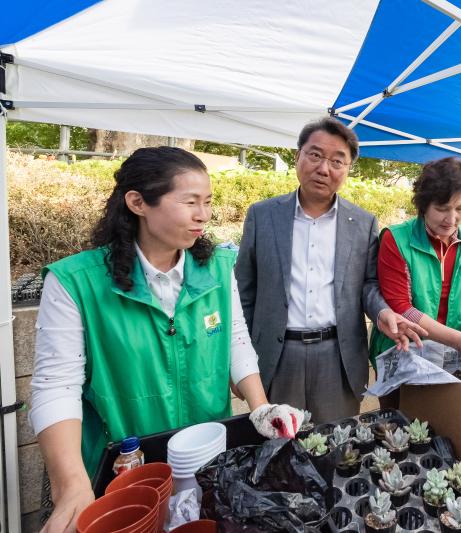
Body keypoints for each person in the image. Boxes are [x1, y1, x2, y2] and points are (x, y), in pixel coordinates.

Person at [30, 147, 300, 533]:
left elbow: (235, 341)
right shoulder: (75, 282)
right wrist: (71, 484)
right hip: (130, 465)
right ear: (138, 202)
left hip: (208, 453)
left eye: (207, 202)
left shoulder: (218, 269)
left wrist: (259, 407)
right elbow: (57, 385)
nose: (203, 215)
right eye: (190, 202)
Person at [235, 117, 425, 423]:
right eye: (315, 155)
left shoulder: (363, 223)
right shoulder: (262, 215)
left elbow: (368, 285)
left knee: (337, 449)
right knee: (277, 446)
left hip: (338, 356)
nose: (324, 168)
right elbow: (243, 292)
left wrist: (382, 312)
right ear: (297, 156)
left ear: (348, 169)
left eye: (338, 161)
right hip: (277, 354)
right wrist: (239, 363)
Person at [369, 157, 461, 373]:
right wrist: (460, 340)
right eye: (442, 208)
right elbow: (402, 308)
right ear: (424, 206)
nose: (451, 219)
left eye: (460, 208)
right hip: (404, 347)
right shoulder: (397, 239)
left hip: (454, 352)